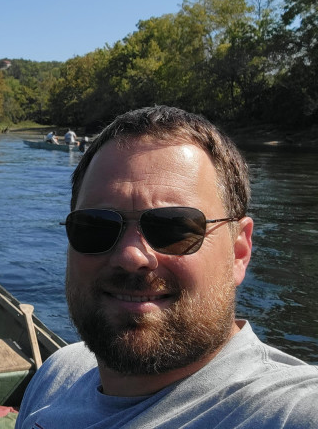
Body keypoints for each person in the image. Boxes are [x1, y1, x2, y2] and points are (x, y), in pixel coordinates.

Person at [17, 106, 317, 428]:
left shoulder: (290, 412)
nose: (131, 257)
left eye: (174, 228)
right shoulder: (57, 373)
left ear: (239, 252)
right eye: (96, 226)